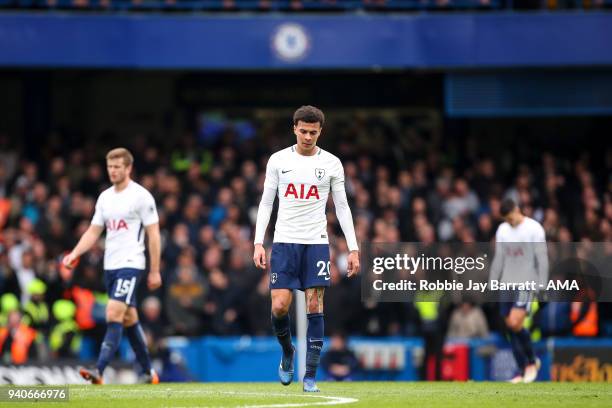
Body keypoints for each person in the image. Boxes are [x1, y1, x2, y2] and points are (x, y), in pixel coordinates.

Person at [253, 106, 360, 392]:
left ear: (320, 132)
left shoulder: (332, 164)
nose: (308, 136)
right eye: (304, 131)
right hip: (285, 242)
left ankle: (310, 375)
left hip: (316, 243)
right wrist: (258, 242)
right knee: (279, 306)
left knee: (315, 304)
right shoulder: (278, 161)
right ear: (294, 129)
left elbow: (342, 206)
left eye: (314, 132)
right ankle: (288, 351)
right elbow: (266, 202)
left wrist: (353, 248)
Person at [62, 147, 162, 384]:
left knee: (113, 311)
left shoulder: (141, 196)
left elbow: (154, 234)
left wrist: (155, 270)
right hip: (110, 266)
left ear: (128, 168)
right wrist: (74, 253)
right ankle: (149, 372)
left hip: (132, 263)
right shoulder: (105, 197)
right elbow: (94, 231)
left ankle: (99, 370)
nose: (113, 171)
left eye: (117, 167)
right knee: (129, 318)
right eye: (110, 167)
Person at [490, 198, 548, 383]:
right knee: (510, 327)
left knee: (515, 323)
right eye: (506, 219)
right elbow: (499, 258)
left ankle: (531, 362)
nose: (509, 222)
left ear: (517, 210)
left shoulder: (534, 228)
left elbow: (542, 258)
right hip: (507, 281)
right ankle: (522, 370)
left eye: (510, 218)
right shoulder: (502, 230)